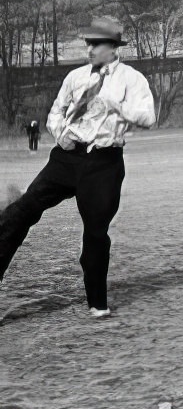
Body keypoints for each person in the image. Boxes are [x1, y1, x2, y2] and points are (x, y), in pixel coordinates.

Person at [0, 17, 156, 319]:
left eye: (96, 44)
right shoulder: (75, 77)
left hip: (104, 162)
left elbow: (147, 116)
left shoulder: (131, 80)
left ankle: (97, 302)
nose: (90, 49)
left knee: (96, 232)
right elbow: (55, 113)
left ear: (112, 48)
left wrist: (115, 103)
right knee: (24, 209)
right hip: (66, 158)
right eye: (88, 43)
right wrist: (62, 135)